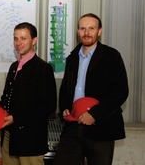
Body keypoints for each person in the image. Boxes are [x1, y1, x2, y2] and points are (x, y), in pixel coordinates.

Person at [53, 13, 129, 165]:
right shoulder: (72, 58)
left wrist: (95, 114)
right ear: (77, 31)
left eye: (91, 28)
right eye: (82, 29)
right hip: (73, 126)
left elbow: (120, 91)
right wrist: (65, 108)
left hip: (101, 126)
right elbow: (65, 89)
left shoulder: (111, 56)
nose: (86, 33)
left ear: (99, 31)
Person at [0, 22, 57, 165]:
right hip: (9, 136)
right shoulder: (14, 67)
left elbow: (48, 107)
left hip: (30, 140)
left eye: (23, 38)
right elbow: (7, 97)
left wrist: (17, 118)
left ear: (34, 40)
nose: (18, 43)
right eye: (16, 38)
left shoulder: (43, 69)